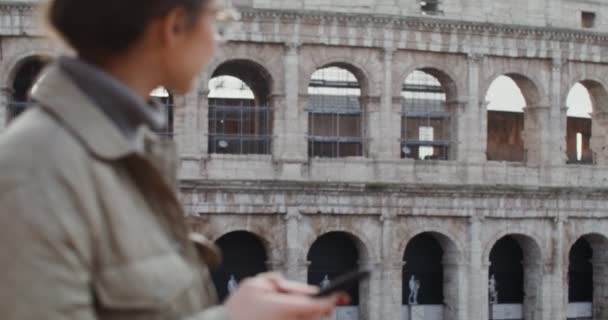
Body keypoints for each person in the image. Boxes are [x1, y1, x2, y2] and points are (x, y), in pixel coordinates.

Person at [0, 0, 346, 319]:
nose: (218, 41)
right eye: (219, 22)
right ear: (175, 25)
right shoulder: (33, 171)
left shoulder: (128, 151)